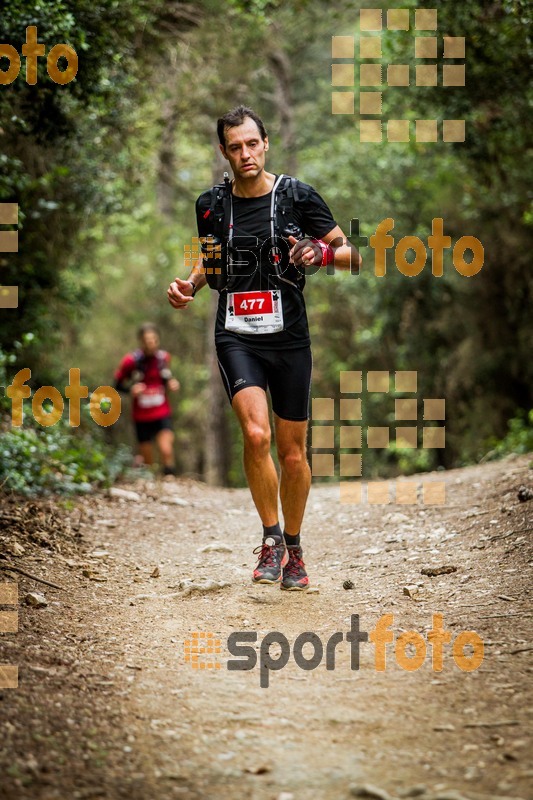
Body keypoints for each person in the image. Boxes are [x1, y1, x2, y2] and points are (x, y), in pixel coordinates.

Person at [167, 105, 361, 590]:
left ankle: (294, 550)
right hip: (236, 333)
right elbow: (210, 262)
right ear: (223, 151)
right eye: (235, 146)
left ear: (265, 143)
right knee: (256, 437)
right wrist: (189, 286)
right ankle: (270, 540)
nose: (245, 154)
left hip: (290, 337)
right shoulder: (210, 205)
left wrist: (319, 252)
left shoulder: (296, 196)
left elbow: (352, 256)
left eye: (252, 144)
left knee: (293, 452)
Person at [114, 322, 180, 475]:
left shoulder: (163, 358)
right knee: (148, 459)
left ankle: (170, 481)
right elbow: (117, 384)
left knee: (166, 449)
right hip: (142, 416)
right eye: (147, 340)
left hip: (162, 412)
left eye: (154, 339)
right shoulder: (131, 361)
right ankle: (153, 486)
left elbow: (165, 378)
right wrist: (131, 389)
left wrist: (171, 384)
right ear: (141, 341)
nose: (151, 343)